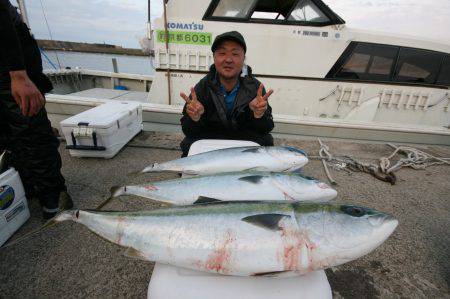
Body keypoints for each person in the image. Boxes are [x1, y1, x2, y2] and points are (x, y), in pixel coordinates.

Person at [0, 0, 72, 219]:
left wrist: (18, 74)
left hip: (11, 58)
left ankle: (54, 198)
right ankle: (27, 185)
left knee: (30, 128)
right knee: (5, 133)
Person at [179, 31, 275, 157]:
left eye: (235, 54)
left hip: (244, 141)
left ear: (243, 58)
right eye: (222, 53)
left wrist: (259, 115)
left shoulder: (255, 88)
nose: (228, 60)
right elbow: (188, 131)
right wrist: (194, 118)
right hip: (212, 140)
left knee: (267, 143)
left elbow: (266, 128)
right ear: (214, 57)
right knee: (188, 144)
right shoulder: (202, 87)